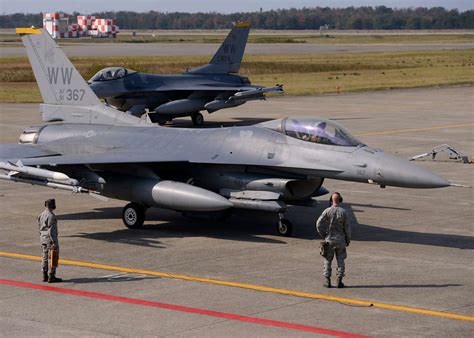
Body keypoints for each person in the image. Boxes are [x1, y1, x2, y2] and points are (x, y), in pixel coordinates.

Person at [316, 192, 351, 288]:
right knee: (340, 260)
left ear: (331, 200)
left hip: (329, 239)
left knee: (327, 260)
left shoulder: (327, 211)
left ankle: (327, 281)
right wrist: (348, 239)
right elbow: (347, 227)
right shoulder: (344, 212)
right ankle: (339, 280)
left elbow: (318, 223)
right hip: (340, 240)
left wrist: (323, 234)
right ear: (340, 200)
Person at [37, 199, 62, 283]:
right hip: (50, 240)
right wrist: (54, 241)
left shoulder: (41, 214)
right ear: (52, 206)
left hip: (43, 238)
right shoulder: (51, 216)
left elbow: (40, 227)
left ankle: (44, 275)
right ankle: (52, 275)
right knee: (53, 257)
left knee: (44, 257)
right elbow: (51, 231)